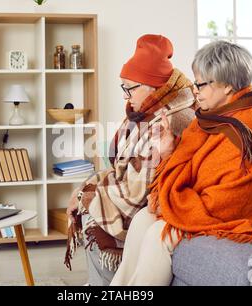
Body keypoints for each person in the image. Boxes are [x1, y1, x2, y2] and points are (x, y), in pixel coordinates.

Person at [110, 40, 252, 286]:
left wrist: (173, 202)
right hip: (207, 201)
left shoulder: (251, 128)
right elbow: (195, 172)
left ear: (228, 86)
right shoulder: (212, 118)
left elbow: (230, 200)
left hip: (247, 216)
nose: (195, 90)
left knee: (159, 234)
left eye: (201, 83)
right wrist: (168, 151)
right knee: (143, 218)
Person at [64, 34, 197, 283]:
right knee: (89, 205)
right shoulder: (144, 113)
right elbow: (120, 169)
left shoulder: (173, 121)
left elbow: (139, 192)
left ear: (153, 86)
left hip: (152, 203)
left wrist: (86, 195)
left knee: (92, 218)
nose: (125, 96)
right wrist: (85, 188)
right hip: (139, 197)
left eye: (129, 88)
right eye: (122, 87)